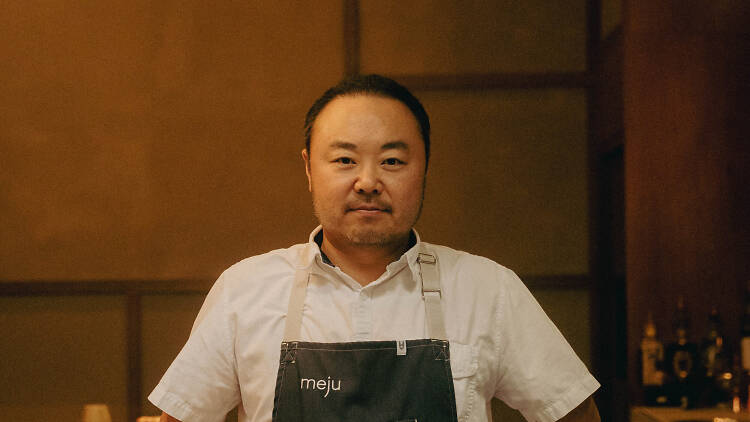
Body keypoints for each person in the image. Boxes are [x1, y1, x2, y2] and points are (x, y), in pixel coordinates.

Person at [150, 74, 601, 422]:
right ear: (309, 168)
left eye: (392, 161)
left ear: (424, 168)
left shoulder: (488, 289)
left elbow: (573, 414)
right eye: (344, 160)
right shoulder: (245, 290)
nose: (367, 182)